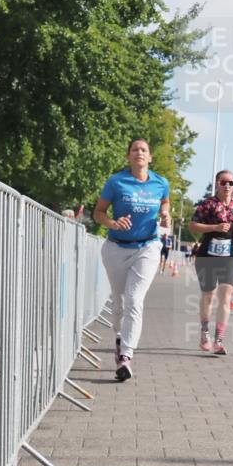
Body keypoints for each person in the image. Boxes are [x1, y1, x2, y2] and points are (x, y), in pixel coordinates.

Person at [93, 139, 170, 382]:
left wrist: (166, 215)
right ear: (128, 156)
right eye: (135, 150)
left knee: (135, 300)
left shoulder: (161, 183)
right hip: (116, 248)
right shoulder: (116, 182)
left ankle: (125, 356)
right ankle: (119, 338)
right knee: (119, 303)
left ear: (150, 157)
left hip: (147, 246)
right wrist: (113, 223)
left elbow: (165, 203)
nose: (139, 153)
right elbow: (98, 212)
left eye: (144, 150)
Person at [188, 171, 233, 354]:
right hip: (208, 255)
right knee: (208, 296)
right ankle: (205, 333)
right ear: (217, 184)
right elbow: (193, 225)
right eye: (224, 182)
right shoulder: (208, 204)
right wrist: (216, 227)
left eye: (231, 183)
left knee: (226, 297)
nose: (227, 186)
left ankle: (219, 340)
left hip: (230, 254)